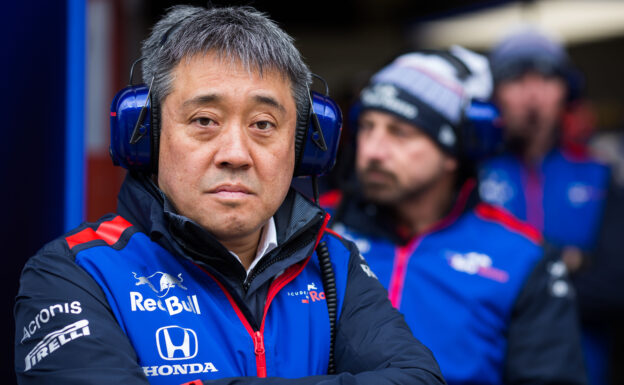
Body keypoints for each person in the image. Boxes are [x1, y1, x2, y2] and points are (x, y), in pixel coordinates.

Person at [13, 5, 445, 385]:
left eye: (263, 125)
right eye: (204, 120)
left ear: (304, 147)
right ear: (145, 137)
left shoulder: (335, 262)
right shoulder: (75, 272)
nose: (236, 154)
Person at [323, 47, 587, 385]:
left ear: (454, 150)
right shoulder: (314, 229)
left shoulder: (523, 257)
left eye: (399, 132)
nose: (372, 150)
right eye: (368, 127)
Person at [479, 26, 624, 385]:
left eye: (546, 77)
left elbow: (614, 287)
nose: (532, 94)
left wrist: (510, 275)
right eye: (515, 79)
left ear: (566, 91)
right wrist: (570, 260)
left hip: (587, 370)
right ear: (494, 93)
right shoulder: (470, 175)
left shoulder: (600, 174)